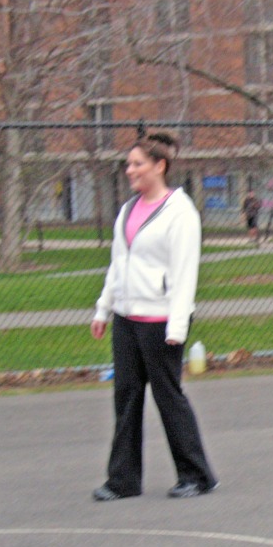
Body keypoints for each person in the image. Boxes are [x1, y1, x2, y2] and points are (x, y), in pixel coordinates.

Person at [90, 131, 218, 501]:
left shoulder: (181, 212)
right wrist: (104, 308)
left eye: (137, 164)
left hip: (162, 322)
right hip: (127, 319)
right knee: (126, 397)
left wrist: (176, 326)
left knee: (168, 396)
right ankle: (123, 481)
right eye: (128, 164)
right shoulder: (127, 211)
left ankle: (196, 475)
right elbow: (118, 265)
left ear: (159, 166)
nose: (129, 170)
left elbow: (184, 273)